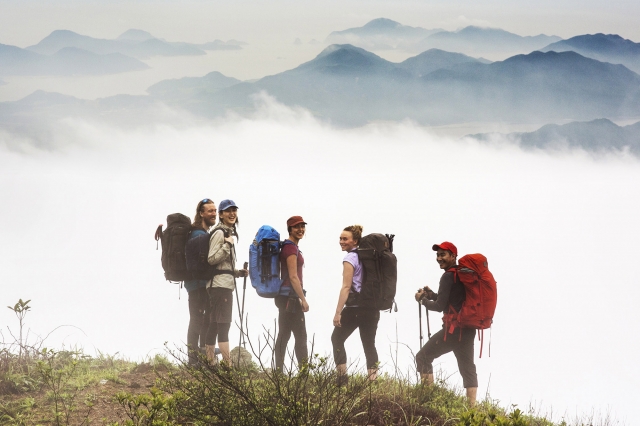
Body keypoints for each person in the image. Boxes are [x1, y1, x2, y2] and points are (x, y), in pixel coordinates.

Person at [415, 241, 478, 406]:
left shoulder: (448, 276)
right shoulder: (461, 275)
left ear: (453, 256)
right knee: (467, 367)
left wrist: (422, 299)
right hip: (468, 329)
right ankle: (472, 409)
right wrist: (431, 294)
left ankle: (427, 400)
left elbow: (439, 306)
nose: (439, 258)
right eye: (437, 255)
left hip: (453, 330)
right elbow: (452, 301)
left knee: (423, 356)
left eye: (443, 254)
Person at [331, 225, 379, 384]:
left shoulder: (350, 258)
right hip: (372, 308)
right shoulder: (369, 258)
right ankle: (373, 383)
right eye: (340, 238)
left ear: (355, 241)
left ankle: (342, 380)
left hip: (355, 308)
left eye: (345, 239)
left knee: (336, 338)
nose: (341, 242)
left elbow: (346, 286)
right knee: (369, 344)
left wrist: (338, 312)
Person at [205, 199, 248, 366]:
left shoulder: (225, 232)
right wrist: (228, 245)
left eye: (234, 210)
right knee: (223, 325)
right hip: (220, 287)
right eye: (228, 211)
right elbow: (212, 259)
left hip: (219, 284)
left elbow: (222, 265)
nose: (232, 214)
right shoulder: (220, 233)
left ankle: (211, 362)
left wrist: (237, 272)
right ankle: (227, 365)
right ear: (221, 214)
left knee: (215, 324)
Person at [274, 215, 309, 372]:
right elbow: (293, 277)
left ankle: (279, 372)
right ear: (290, 229)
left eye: (302, 226)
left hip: (286, 296)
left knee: (284, 334)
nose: (300, 229)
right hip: (291, 297)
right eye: (296, 227)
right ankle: (303, 374)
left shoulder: (290, 247)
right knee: (300, 336)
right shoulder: (290, 248)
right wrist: (303, 299)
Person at [184, 198, 217, 364]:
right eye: (210, 211)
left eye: (215, 210)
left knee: (201, 319)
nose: (214, 214)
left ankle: (201, 353)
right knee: (198, 319)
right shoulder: (198, 234)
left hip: (196, 284)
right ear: (201, 213)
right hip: (197, 284)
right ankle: (194, 358)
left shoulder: (201, 234)